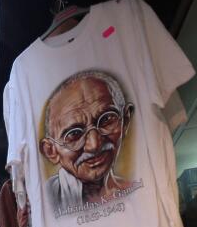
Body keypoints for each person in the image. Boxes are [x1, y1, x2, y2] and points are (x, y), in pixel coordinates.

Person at [39, 70, 137, 217]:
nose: (94, 145)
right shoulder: (45, 202)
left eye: (106, 119)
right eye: (74, 134)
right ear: (51, 151)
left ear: (125, 120)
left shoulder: (134, 191)